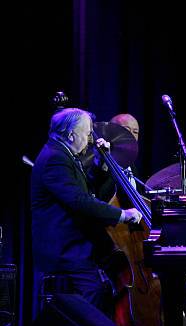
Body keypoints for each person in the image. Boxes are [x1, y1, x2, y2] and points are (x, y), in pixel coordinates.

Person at [31, 108, 143, 315]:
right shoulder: (56, 159)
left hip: (73, 247)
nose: (91, 138)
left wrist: (101, 164)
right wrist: (122, 215)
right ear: (72, 134)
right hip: (65, 250)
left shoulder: (62, 154)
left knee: (102, 289)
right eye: (88, 133)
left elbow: (86, 191)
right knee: (96, 294)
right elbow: (80, 201)